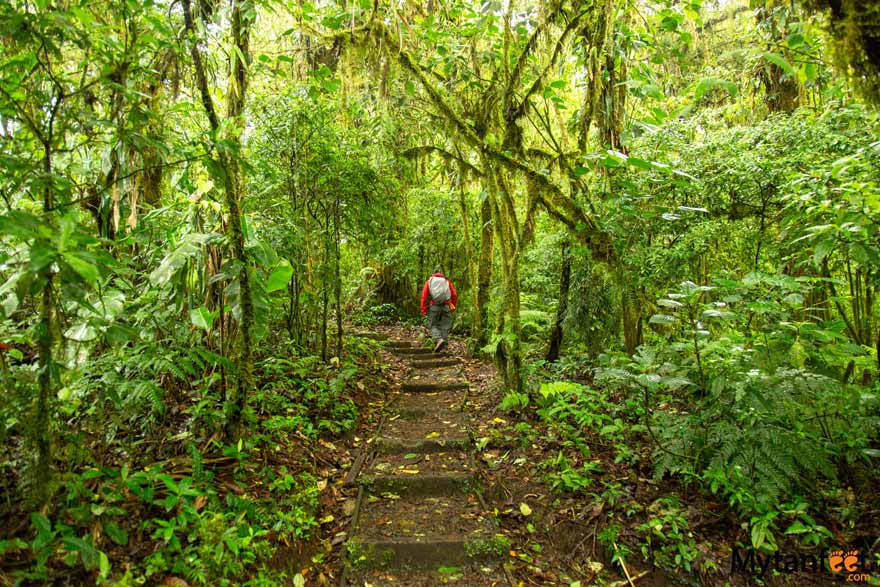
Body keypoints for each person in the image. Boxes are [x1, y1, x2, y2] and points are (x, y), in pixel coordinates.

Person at [420, 268, 457, 352]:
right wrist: (453, 306)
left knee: (433, 325)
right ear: (440, 273)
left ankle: (438, 339)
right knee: (445, 327)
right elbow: (454, 295)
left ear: (433, 274)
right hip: (446, 307)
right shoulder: (446, 281)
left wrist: (423, 309)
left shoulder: (429, 281)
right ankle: (445, 347)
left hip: (434, 306)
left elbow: (424, 296)